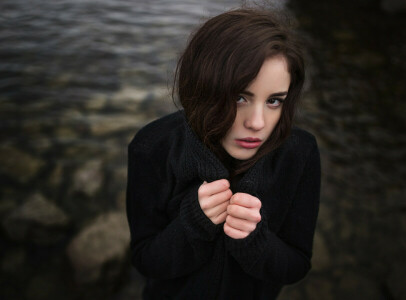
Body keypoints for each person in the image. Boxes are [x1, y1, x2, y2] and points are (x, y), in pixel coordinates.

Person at [126, 7, 321, 300]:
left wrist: (255, 242)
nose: (256, 123)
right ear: (203, 86)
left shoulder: (300, 154)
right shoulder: (152, 147)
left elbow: (296, 266)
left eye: (274, 101)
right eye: (240, 97)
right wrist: (192, 224)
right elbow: (145, 260)